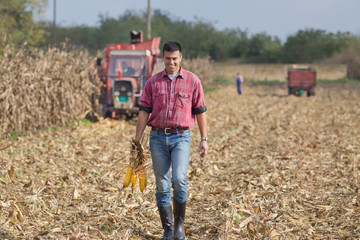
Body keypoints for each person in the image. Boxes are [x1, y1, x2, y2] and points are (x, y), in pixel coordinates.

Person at [133, 41, 208, 240]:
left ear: (180, 58)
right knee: (162, 184)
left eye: (175, 59)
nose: (171, 62)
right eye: (167, 59)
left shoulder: (193, 81)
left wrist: (204, 139)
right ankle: (167, 229)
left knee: (179, 180)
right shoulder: (153, 82)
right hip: (157, 137)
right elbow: (143, 112)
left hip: (181, 137)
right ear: (163, 59)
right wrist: (136, 142)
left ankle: (179, 226)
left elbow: (200, 112)